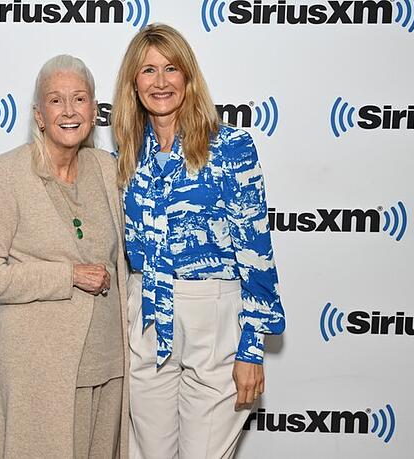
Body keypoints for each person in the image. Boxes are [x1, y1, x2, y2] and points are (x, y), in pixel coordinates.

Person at [111, 24, 286, 458]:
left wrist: (252, 347)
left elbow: (256, 251)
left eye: (172, 68)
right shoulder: (125, 156)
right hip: (147, 317)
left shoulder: (230, 146)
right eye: (148, 70)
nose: (161, 81)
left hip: (214, 319)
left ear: (189, 76)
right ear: (133, 82)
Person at [0, 54, 129, 459]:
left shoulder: (108, 169)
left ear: (94, 109)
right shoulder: (7, 172)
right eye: (56, 100)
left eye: (80, 99)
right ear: (39, 115)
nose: (69, 111)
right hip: (39, 366)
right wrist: (67, 275)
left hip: (109, 364)